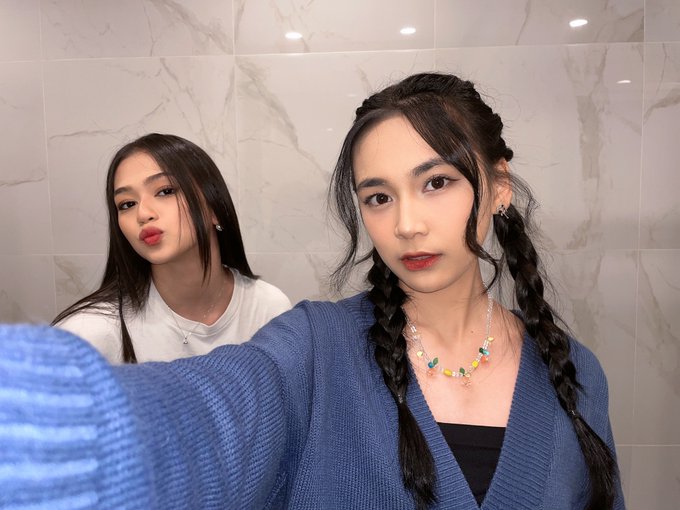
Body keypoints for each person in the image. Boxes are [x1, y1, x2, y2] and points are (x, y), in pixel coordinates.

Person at [0, 74, 623, 509]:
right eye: (378, 197)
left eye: (436, 182)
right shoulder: (314, 350)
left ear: (498, 186)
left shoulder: (576, 376)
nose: (406, 224)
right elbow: (202, 420)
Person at [53, 133, 292, 363]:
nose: (143, 214)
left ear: (214, 208)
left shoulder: (268, 308)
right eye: (127, 204)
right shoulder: (87, 334)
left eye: (165, 191)